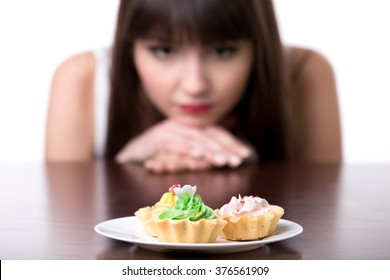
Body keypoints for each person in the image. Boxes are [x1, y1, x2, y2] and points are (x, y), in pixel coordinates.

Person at [45, 0, 342, 173]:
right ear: (129, 46)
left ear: (258, 45)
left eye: (222, 51)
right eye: (163, 51)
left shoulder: (304, 73)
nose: (195, 85)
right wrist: (128, 161)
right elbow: (65, 228)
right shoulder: (83, 78)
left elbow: (325, 213)